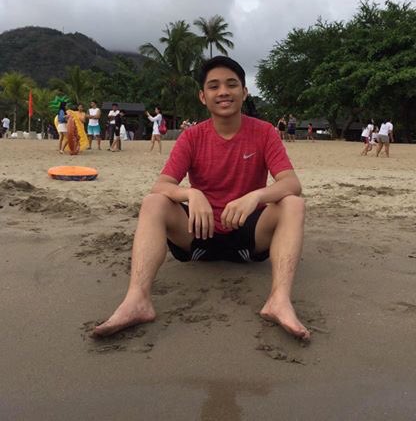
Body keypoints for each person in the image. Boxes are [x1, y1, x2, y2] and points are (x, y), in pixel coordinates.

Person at [93, 56, 310, 341]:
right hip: (198, 234)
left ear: (244, 92)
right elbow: (161, 186)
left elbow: (292, 184)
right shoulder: (192, 137)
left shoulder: (264, 132)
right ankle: (137, 300)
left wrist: (255, 195)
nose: (223, 92)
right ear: (202, 96)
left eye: (232, 84)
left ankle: (279, 301)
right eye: (214, 86)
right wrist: (191, 193)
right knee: (153, 202)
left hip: (248, 236)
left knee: (293, 203)